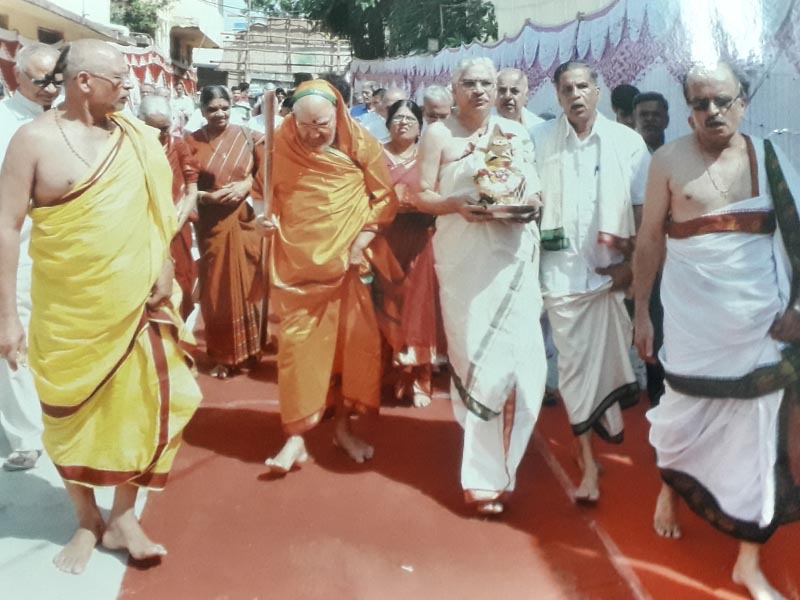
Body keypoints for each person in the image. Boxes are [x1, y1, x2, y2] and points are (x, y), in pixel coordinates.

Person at [0, 39, 202, 574]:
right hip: (68, 312)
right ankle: (88, 518)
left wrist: (164, 263)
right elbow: (6, 226)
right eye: (120, 78)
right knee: (69, 415)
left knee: (147, 402)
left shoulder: (135, 136)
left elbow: (157, 210)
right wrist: (6, 317)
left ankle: (124, 516)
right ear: (84, 81)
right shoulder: (32, 140)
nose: (130, 86)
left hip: (139, 302)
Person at [634, 61, 800, 600]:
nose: (712, 112)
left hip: (761, 325)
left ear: (743, 104)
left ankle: (748, 561)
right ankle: (671, 487)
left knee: (762, 434)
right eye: (701, 103)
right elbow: (649, 242)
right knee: (682, 420)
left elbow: (798, 234)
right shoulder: (666, 161)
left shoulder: (769, 158)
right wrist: (641, 314)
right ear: (688, 110)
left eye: (723, 101)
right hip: (692, 323)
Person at [415, 57, 546, 515]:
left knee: (523, 364)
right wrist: (453, 204)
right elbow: (421, 195)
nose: (479, 91)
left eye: (486, 83)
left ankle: (502, 463)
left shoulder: (513, 133)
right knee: (478, 363)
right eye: (469, 83)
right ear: (454, 89)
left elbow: (532, 189)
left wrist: (529, 204)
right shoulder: (438, 134)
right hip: (464, 262)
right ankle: (483, 476)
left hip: (512, 256)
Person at [254, 79, 401, 472]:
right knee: (296, 353)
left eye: (321, 125)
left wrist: (361, 241)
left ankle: (342, 430)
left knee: (346, 353)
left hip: (348, 268)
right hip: (297, 268)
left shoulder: (361, 143)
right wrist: (265, 221)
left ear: (338, 114)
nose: (313, 134)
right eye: (304, 126)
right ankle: (295, 438)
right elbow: (265, 197)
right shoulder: (279, 144)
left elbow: (385, 198)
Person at [531, 61, 649, 504]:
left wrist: (631, 268)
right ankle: (586, 460)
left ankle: (587, 448)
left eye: (583, 86)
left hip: (607, 276)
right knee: (573, 371)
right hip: (559, 275)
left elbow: (643, 211)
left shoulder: (628, 142)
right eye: (567, 88)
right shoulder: (538, 139)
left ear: (597, 91)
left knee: (603, 370)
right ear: (557, 95)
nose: (576, 95)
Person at [0, 42, 60, 472]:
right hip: (18, 246)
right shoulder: (4, 122)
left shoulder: (70, 119)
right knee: (14, 331)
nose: (50, 88)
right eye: (40, 80)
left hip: (64, 247)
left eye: (56, 80)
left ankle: (59, 416)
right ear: (17, 76)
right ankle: (25, 434)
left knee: (56, 334)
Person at [185, 85, 264, 379]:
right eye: (212, 109)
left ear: (233, 107)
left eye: (224, 108)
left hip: (245, 222)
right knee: (217, 291)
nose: (219, 114)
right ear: (202, 111)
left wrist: (246, 186)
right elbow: (182, 187)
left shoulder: (250, 137)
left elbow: (268, 174)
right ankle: (222, 355)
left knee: (250, 286)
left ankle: (251, 349)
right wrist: (206, 197)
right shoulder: (191, 143)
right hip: (212, 226)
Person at [382, 99, 446, 408]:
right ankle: (384, 377)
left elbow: (439, 194)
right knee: (383, 307)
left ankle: (419, 379)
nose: (403, 123)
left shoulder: (428, 157)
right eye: (398, 117)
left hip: (419, 239)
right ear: (387, 123)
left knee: (417, 308)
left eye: (410, 118)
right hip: (383, 241)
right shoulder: (374, 155)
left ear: (420, 126)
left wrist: (417, 202)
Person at [140, 95, 198, 321]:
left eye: (164, 128)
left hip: (176, 226)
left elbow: (191, 189)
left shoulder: (179, 146)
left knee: (181, 281)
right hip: (143, 228)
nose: (159, 134)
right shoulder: (132, 146)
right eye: (152, 129)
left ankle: (178, 333)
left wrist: (176, 223)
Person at [633, 91, 670, 405]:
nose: (649, 119)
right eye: (643, 114)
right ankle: (656, 391)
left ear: (667, 119)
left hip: (677, 255)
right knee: (651, 322)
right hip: (639, 254)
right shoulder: (626, 156)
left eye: (655, 114)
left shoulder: (679, 155)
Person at [495, 68, 543, 137]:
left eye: (514, 91)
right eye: (502, 90)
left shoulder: (538, 127)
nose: (507, 96)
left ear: (526, 95)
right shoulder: (483, 124)